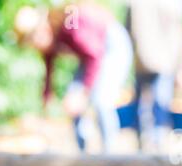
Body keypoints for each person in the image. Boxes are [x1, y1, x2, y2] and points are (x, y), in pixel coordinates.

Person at [14, 2, 133, 153]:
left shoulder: (71, 26)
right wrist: (44, 108)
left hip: (111, 45)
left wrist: (84, 93)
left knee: (101, 99)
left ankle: (110, 152)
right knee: (72, 98)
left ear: (42, 29)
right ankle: (81, 152)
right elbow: (49, 74)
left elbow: (94, 54)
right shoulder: (50, 39)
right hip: (90, 56)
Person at [127, 0, 182, 150]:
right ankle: (146, 146)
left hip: (159, 61)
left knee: (160, 105)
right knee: (150, 106)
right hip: (148, 61)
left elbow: (178, 34)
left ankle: (156, 145)